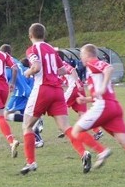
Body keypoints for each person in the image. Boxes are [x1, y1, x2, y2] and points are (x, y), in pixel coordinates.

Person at [18, 23, 103, 175]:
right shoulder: (51, 49)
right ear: (44, 35)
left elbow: (36, 67)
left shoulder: (32, 49)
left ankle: (31, 162)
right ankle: (83, 153)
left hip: (42, 88)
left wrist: (28, 73)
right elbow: (63, 69)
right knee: (65, 127)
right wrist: (51, 72)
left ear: (30, 36)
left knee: (27, 126)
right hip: (57, 90)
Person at [72, 44, 125, 181]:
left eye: (81, 55)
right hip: (113, 106)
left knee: (75, 131)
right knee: (124, 140)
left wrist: (102, 88)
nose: (81, 59)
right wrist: (87, 99)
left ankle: (101, 151)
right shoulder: (91, 69)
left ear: (87, 55)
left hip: (104, 107)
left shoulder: (92, 63)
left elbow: (108, 68)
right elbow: (102, 91)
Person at [3, 44, 44, 149]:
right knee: (26, 117)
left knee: (6, 115)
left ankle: (37, 120)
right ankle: (38, 140)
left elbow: (9, 74)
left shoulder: (7, 62)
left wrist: (7, 82)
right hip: (27, 92)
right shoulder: (15, 60)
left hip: (19, 93)